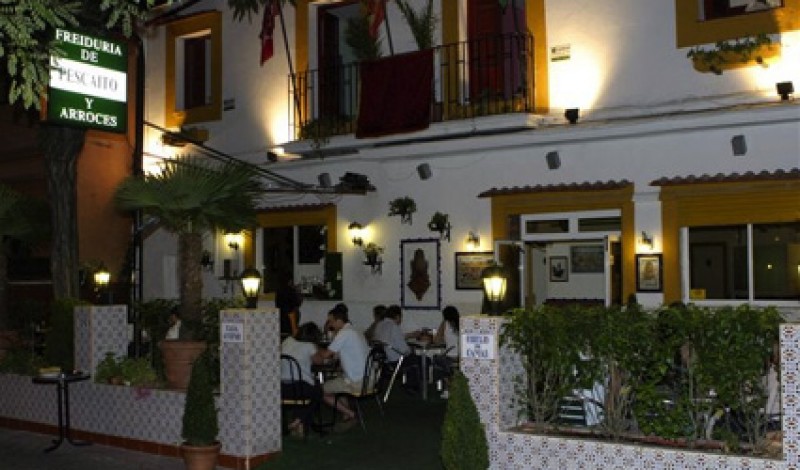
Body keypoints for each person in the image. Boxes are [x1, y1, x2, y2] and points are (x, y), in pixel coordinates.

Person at [313, 304, 369, 424]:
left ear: (339, 321)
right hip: (368, 378)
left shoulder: (344, 333)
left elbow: (326, 355)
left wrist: (313, 347)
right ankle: (346, 414)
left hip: (357, 381)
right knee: (340, 380)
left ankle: (350, 414)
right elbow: (338, 354)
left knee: (319, 391)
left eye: (331, 321)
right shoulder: (356, 330)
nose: (330, 324)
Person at [281, 322, 324, 437]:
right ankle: (298, 421)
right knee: (318, 391)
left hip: (282, 388)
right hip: (301, 387)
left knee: (309, 392)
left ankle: (300, 425)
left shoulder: (287, 341)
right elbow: (319, 361)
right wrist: (317, 348)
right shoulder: (309, 346)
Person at [432, 305, 460, 398]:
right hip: (460, 358)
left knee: (436, 360)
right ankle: (450, 386)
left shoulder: (445, 323)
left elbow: (436, 341)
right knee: (446, 364)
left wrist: (444, 339)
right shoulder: (462, 323)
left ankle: (445, 387)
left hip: (449, 358)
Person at [275, 271, 303, 339]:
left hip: (280, 322)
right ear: (290, 281)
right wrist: (298, 293)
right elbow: (297, 304)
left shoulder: (279, 291)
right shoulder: (290, 291)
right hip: (289, 324)